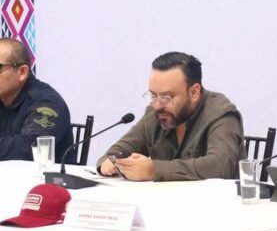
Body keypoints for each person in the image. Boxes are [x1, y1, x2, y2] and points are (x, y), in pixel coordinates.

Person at [96, 52, 244, 181]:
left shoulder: (221, 115)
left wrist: (154, 170)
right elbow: (120, 149)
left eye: (166, 97)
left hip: (215, 202)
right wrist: (110, 162)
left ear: (194, 92)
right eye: (153, 95)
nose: (157, 105)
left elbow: (219, 166)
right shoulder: (155, 114)